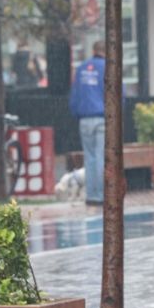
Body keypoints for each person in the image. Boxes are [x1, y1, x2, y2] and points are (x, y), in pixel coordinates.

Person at [69, 40, 106, 206]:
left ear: (94, 50)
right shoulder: (108, 67)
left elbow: (75, 94)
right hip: (102, 118)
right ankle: (102, 195)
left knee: (90, 158)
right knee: (101, 156)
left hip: (84, 119)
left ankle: (91, 195)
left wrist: (77, 112)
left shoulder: (82, 68)